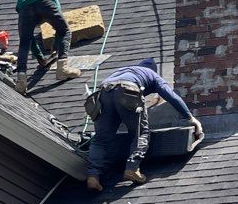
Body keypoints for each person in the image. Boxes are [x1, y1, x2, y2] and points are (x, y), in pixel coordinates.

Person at [86, 57, 203, 191]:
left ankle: (93, 177)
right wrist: (190, 118)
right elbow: (171, 96)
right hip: (127, 90)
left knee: (101, 139)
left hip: (103, 93)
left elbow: (115, 98)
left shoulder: (125, 71)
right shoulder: (152, 75)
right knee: (141, 132)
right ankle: (132, 168)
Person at [15, 0, 80, 94]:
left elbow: (29, 39)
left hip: (23, 5)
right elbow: (59, 30)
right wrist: (55, 48)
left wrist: (41, 59)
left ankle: (21, 80)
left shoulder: (26, 5)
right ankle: (62, 69)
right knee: (65, 30)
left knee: (24, 41)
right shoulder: (52, 0)